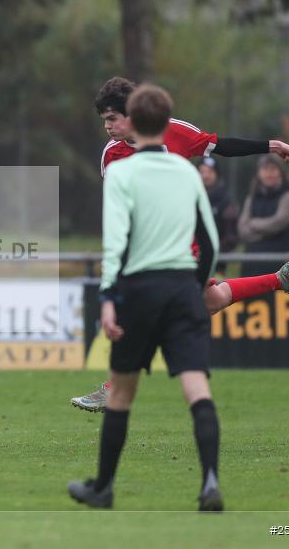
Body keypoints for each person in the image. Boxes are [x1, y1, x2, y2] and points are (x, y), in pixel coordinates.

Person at [71, 77, 289, 413]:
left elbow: (220, 145)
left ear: (132, 114)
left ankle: (115, 389)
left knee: (142, 307)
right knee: (211, 301)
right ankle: (279, 279)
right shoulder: (111, 156)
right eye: (104, 121)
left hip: (180, 245)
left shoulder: (173, 132)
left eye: (112, 118)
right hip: (149, 248)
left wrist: (270, 145)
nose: (108, 127)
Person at [67, 84, 224, 511]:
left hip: (139, 291)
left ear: (132, 120)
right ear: (166, 120)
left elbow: (116, 243)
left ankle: (103, 488)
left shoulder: (121, 173)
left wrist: (108, 297)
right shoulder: (187, 172)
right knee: (197, 389)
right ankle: (210, 482)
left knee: (120, 395)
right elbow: (209, 244)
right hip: (181, 289)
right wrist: (195, 288)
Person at [237, 155, 289, 276]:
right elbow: (242, 229)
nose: (269, 174)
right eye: (265, 169)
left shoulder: (288, 196)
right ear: (259, 173)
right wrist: (267, 233)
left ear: (280, 172)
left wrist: (254, 224)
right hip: (252, 266)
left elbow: (279, 222)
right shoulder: (252, 198)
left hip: (281, 267)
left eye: (273, 169)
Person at [197, 156, 239, 258]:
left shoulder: (226, 200)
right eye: (202, 171)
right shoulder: (191, 198)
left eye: (210, 171)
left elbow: (231, 236)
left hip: (219, 259)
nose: (205, 176)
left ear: (217, 174)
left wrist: (212, 251)